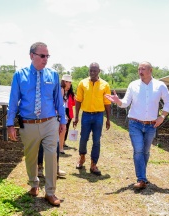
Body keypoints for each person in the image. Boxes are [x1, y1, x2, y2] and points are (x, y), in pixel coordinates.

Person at [7, 42, 66, 206]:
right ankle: (34, 183)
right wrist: (10, 124)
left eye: (47, 56)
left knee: (51, 156)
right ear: (31, 55)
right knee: (31, 157)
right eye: (42, 56)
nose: (45, 59)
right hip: (29, 124)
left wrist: (62, 120)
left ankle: (50, 192)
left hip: (49, 123)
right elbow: (13, 101)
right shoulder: (19, 75)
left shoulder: (53, 75)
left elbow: (58, 100)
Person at [105, 61, 169, 189]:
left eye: (143, 69)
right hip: (135, 123)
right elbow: (125, 103)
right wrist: (118, 101)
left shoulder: (160, 85)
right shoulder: (133, 85)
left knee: (145, 151)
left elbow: (168, 101)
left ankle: (142, 175)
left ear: (150, 70)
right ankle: (141, 179)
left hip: (151, 125)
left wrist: (162, 116)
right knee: (139, 149)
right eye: (139, 69)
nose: (140, 72)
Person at [73, 62, 111, 176]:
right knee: (83, 138)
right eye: (91, 70)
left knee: (97, 140)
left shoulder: (105, 85)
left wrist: (108, 119)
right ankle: (82, 157)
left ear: (99, 71)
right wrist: (76, 117)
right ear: (88, 71)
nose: (93, 72)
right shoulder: (82, 83)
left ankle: (94, 164)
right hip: (86, 115)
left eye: (95, 70)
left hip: (99, 116)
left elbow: (107, 103)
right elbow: (78, 100)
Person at [59, 74, 75, 153]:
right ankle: (60, 146)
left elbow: (73, 103)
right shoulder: (60, 90)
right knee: (61, 129)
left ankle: (62, 144)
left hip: (66, 111)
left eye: (70, 82)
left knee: (65, 128)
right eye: (69, 82)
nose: (70, 84)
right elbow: (60, 103)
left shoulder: (68, 92)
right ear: (65, 82)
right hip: (60, 111)